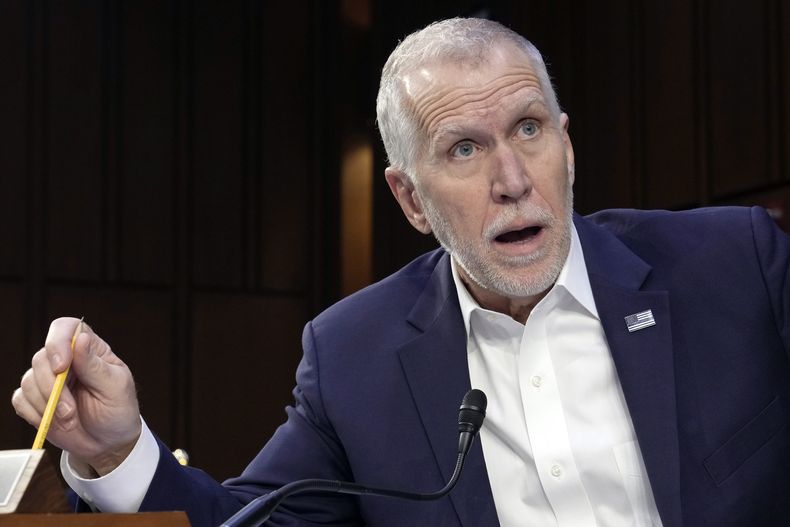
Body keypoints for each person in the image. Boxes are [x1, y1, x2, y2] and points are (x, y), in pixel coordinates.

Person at [11, 17, 790, 527]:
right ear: (410, 198)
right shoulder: (357, 356)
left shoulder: (733, 265)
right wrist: (118, 451)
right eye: (464, 149)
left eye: (528, 129)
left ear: (568, 146)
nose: (514, 178)